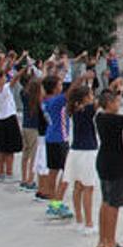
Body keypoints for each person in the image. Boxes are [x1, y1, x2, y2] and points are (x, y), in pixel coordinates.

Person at [95, 79, 123, 247]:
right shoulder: (113, 119)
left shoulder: (100, 116)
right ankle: (111, 243)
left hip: (103, 161)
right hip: (115, 164)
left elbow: (104, 98)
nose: (119, 104)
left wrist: (115, 90)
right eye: (117, 101)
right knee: (113, 205)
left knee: (105, 201)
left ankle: (103, 240)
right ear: (110, 104)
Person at [63, 79, 102, 234]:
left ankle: (79, 220)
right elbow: (102, 102)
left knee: (77, 186)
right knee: (88, 188)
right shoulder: (88, 109)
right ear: (85, 97)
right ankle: (89, 223)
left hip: (75, 151)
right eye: (91, 94)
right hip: (88, 151)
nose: (93, 96)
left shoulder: (75, 109)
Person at [42, 75, 73, 219]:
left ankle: (53, 202)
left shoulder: (46, 100)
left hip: (50, 138)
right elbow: (71, 92)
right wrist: (83, 77)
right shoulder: (57, 100)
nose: (62, 85)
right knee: (68, 172)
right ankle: (57, 201)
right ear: (55, 87)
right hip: (60, 139)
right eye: (60, 84)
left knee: (53, 171)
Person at [0, 55, 25, 183]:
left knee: (1, 149)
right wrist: (23, 69)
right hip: (9, 119)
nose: (6, 78)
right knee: (9, 150)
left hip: (0, 120)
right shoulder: (4, 88)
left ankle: (1, 173)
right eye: (3, 77)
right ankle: (9, 173)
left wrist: (1, 62)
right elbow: (15, 78)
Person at [19, 70, 41, 191]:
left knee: (25, 153)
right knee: (34, 155)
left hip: (25, 126)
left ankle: (24, 178)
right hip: (34, 128)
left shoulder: (23, 93)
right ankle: (30, 180)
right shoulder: (36, 98)